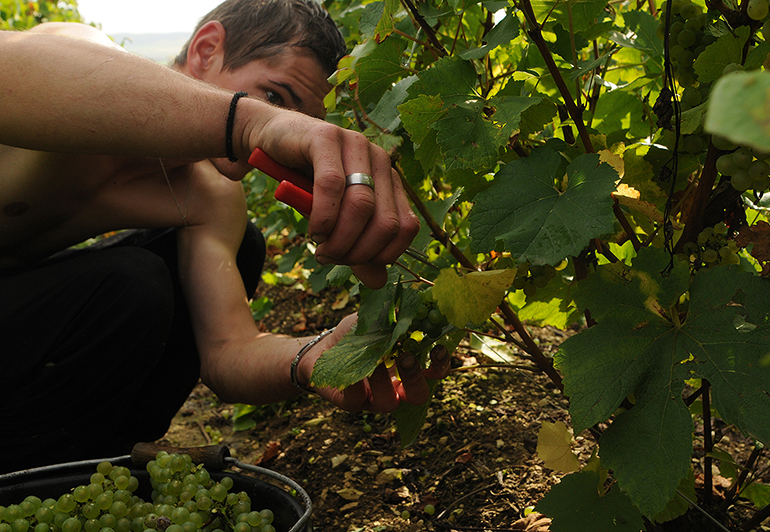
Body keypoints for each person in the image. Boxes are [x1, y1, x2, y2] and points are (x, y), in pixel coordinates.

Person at [0, 0, 450, 473]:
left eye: (304, 119)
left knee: (234, 250)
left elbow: (226, 352)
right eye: (275, 97)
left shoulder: (208, 197)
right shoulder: (69, 57)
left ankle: (78, 472)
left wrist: (311, 358)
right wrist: (253, 120)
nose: (283, 129)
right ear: (207, 49)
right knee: (129, 284)